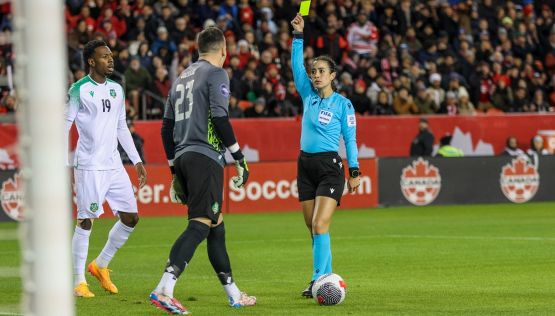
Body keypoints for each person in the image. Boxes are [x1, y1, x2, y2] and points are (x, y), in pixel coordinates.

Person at [151, 27, 256, 314]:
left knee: (216, 225)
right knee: (199, 224)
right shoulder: (216, 73)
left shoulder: (180, 78)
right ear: (223, 50)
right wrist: (239, 158)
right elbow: (220, 118)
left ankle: (234, 294)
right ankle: (165, 287)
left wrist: (174, 170)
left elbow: (165, 128)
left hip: (184, 156)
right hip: (205, 156)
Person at [65, 40, 147, 298]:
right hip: (89, 165)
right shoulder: (78, 90)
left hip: (114, 165)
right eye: (104, 57)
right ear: (91, 61)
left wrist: (136, 160)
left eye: (111, 56)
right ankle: (79, 282)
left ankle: (100, 265)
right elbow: (63, 127)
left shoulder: (116, 89)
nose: (110, 60)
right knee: (86, 220)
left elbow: (122, 126)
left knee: (131, 218)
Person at [291, 14, 361, 298]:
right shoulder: (308, 94)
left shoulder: (344, 104)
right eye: (313, 70)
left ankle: (318, 280)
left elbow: (351, 139)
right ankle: (323, 278)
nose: (315, 74)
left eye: (321, 70)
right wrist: (298, 37)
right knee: (312, 227)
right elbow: (296, 65)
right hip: (305, 165)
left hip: (330, 166)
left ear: (333, 75)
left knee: (320, 224)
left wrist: (354, 171)